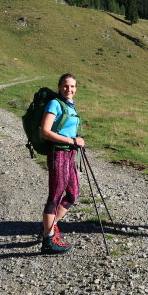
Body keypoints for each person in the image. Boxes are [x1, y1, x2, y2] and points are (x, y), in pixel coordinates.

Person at [40, 73, 85, 254]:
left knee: (73, 193)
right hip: (58, 153)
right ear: (59, 87)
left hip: (69, 155)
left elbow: (68, 130)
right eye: (66, 86)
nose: (69, 89)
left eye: (73, 86)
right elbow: (45, 131)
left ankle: (50, 226)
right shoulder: (54, 104)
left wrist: (76, 140)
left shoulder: (70, 105)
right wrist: (71, 142)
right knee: (55, 196)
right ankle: (47, 241)